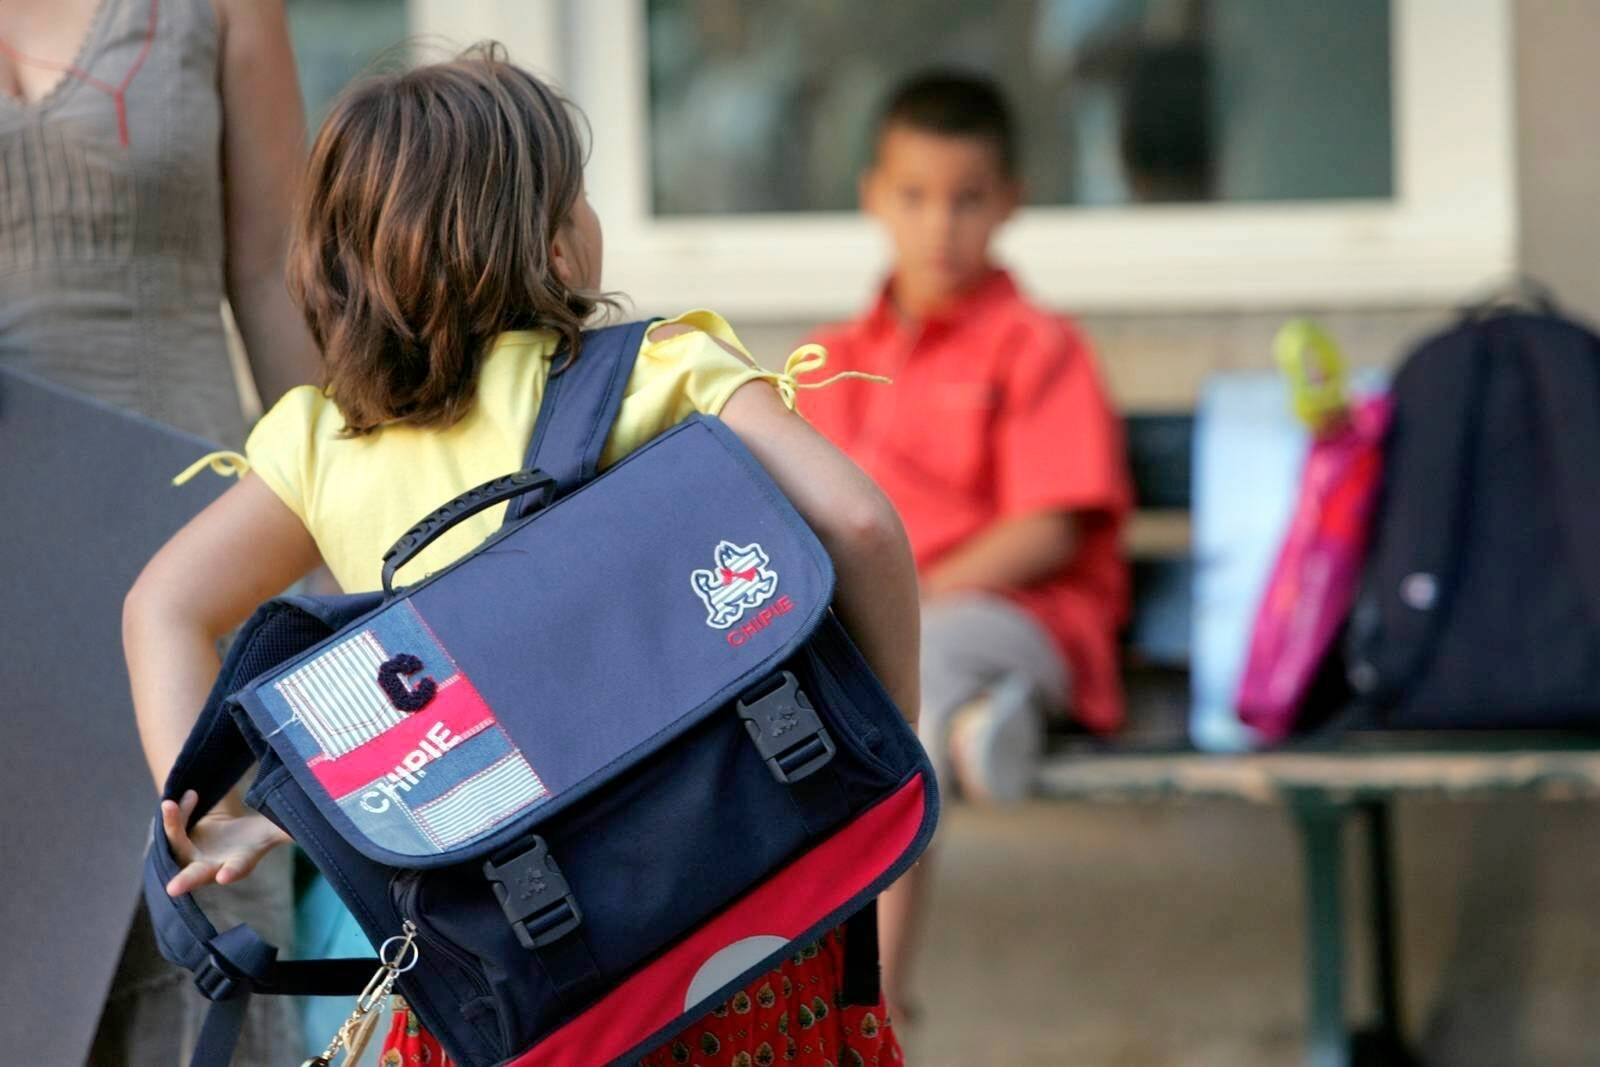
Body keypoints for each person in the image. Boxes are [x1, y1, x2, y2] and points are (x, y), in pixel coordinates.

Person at [125, 45, 921, 1067]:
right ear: (551, 247)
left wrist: (215, 815)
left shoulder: (321, 444)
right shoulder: (660, 370)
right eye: (580, 200)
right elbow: (859, 524)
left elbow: (163, 606)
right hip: (732, 922)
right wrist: (889, 741)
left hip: (510, 972)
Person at [0, 2, 319, 1062]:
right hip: (14, 590)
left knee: (200, 929)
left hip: (188, 563)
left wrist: (368, 519)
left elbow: (281, 278)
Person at [801, 71, 1131, 1019]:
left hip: (1015, 617)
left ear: (1011, 204)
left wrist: (913, 590)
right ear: (873, 197)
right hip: (875, 629)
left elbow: (1051, 526)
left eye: (969, 198)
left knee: (914, 676)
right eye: (914, 195)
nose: (940, 223)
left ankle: (873, 1007)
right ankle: (980, 733)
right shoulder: (834, 356)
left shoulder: (1038, 345)